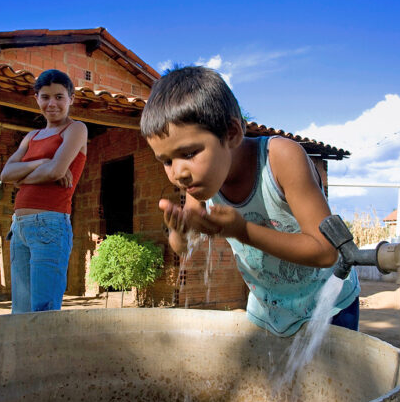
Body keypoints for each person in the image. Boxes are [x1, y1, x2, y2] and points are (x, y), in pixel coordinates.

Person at [140, 66, 359, 337]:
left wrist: (242, 231)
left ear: (231, 133)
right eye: (167, 161)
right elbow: (182, 248)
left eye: (189, 152)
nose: (179, 173)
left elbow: (326, 252)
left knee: (325, 380)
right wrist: (178, 230)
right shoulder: (200, 183)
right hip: (267, 311)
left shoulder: (280, 159)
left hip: (328, 306)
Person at [0, 69, 87, 313]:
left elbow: (56, 172)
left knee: (44, 310)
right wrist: (41, 163)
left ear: (71, 99)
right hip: (19, 227)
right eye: (45, 96)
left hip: (50, 223)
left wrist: (23, 177)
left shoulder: (75, 129)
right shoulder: (31, 137)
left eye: (59, 97)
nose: (52, 103)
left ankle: (47, 353)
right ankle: (26, 353)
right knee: (21, 310)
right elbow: (6, 174)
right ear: (36, 98)